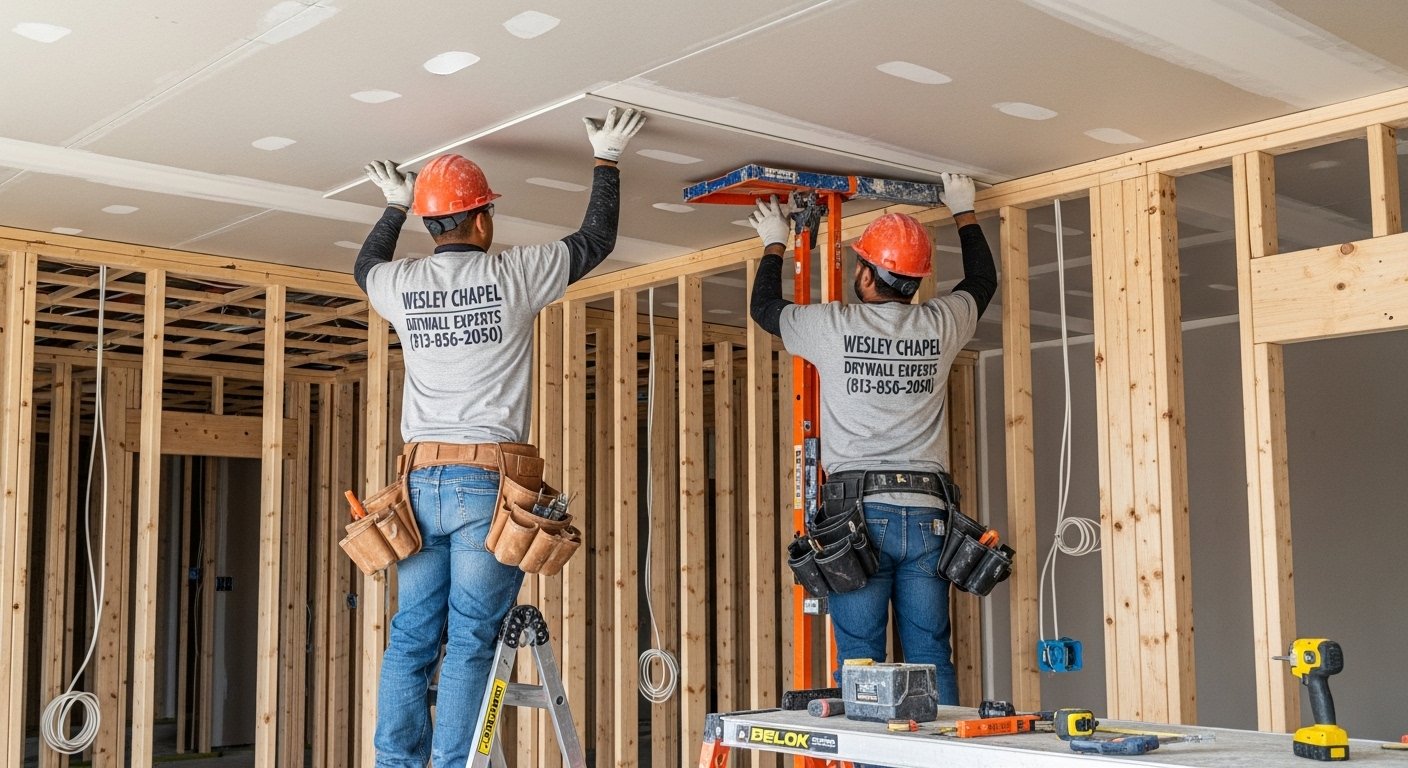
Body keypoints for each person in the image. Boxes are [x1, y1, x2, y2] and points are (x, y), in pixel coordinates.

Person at [353, 106, 645, 768]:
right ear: (482, 220)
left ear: (434, 226)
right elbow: (593, 240)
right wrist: (606, 158)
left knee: (410, 637)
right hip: (488, 486)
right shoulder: (513, 275)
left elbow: (365, 266)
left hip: (418, 485)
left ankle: (396, 764)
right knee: (472, 638)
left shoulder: (401, 284)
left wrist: (393, 205)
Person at [747, 173, 996, 710]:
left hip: (858, 515)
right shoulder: (940, 323)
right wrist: (964, 211)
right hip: (930, 516)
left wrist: (776, 242)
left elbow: (765, 309)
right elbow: (982, 282)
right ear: (914, 281)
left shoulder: (833, 327)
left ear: (865, 273)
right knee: (930, 651)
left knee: (860, 654)